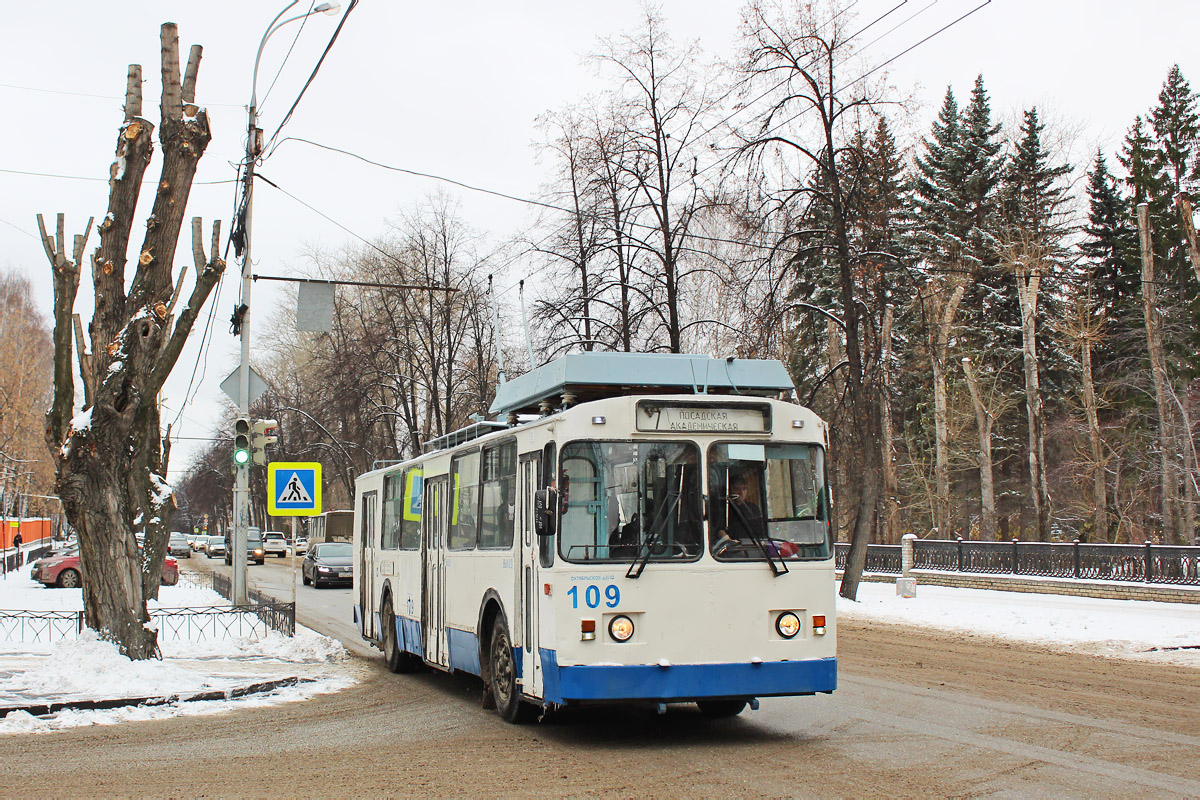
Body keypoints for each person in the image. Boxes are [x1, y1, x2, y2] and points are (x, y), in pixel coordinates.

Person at [713, 472, 763, 551]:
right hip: (730, 551)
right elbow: (718, 529)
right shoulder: (722, 508)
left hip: (752, 549)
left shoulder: (753, 508)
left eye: (744, 489)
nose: (741, 492)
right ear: (729, 490)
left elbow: (760, 532)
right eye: (736, 488)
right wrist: (729, 541)